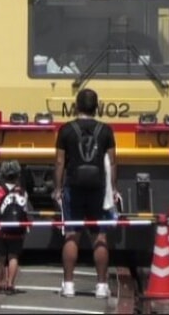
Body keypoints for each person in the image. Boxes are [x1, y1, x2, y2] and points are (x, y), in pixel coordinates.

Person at [53, 88, 118, 299]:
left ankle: (69, 285)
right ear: (96, 107)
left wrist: (57, 187)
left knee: (72, 234)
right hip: (98, 188)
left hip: (73, 185)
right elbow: (112, 163)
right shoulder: (106, 130)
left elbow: (60, 162)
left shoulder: (66, 130)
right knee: (99, 236)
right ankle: (101, 286)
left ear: (76, 106)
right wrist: (113, 188)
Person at [0, 160, 30, 294]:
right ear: (18, 175)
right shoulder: (22, 192)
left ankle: (1, 283)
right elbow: (24, 210)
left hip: (0, 230)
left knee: (0, 257)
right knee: (13, 256)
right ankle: (10, 284)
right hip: (17, 231)